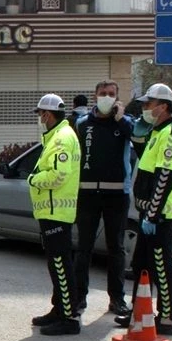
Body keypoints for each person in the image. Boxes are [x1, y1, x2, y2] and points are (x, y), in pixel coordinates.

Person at [115, 83, 172, 337]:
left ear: (163, 107)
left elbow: (164, 178)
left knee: (161, 266)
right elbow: (145, 162)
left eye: (149, 104)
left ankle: (167, 318)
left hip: (161, 215)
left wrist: (153, 214)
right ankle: (140, 312)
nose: (145, 108)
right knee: (141, 265)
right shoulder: (158, 132)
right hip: (150, 212)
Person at [73, 80, 135, 317]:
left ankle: (117, 299)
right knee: (83, 248)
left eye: (111, 94)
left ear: (117, 97)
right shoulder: (82, 123)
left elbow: (140, 139)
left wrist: (122, 118)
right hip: (87, 193)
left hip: (117, 195)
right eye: (103, 94)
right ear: (95, 96)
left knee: (116, 248)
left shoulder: (124, 123)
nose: (106, 97)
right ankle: (79, 298)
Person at [28, 93, 82, 336]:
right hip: (52, 211)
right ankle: (59, 309)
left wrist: (33, 179)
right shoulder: (57, 136)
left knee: (61, 265)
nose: (39, 118)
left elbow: (58, 176)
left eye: (40, 114)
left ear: (47, 114)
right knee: (56, 264)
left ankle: (69, 318)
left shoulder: (61, 139)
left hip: (56, 211)